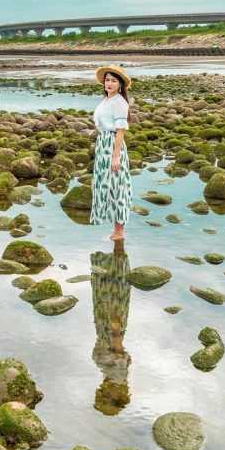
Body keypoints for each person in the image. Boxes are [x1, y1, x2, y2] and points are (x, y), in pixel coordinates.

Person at [90, 64, 133, 240]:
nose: (109, 83)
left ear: (120, 85)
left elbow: (121, 130)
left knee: (118, 186)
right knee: (104, 185)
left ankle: (119, 231)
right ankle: (115, 229)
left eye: (113, 81)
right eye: (107, 80)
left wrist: (116, 156)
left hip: (113, 145)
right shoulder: (106, 100)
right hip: (103, 144)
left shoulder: (120, 102)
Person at [90, 241, 132, 415]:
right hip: (109, 330)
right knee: (112, 296)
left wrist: (116, 336)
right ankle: (117, 254)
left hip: (108, 330)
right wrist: (116, 335)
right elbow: (120, 353)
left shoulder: (114, 375)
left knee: (113, 295)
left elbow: (121, 355)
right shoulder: (115, 376)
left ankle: (117, 256)